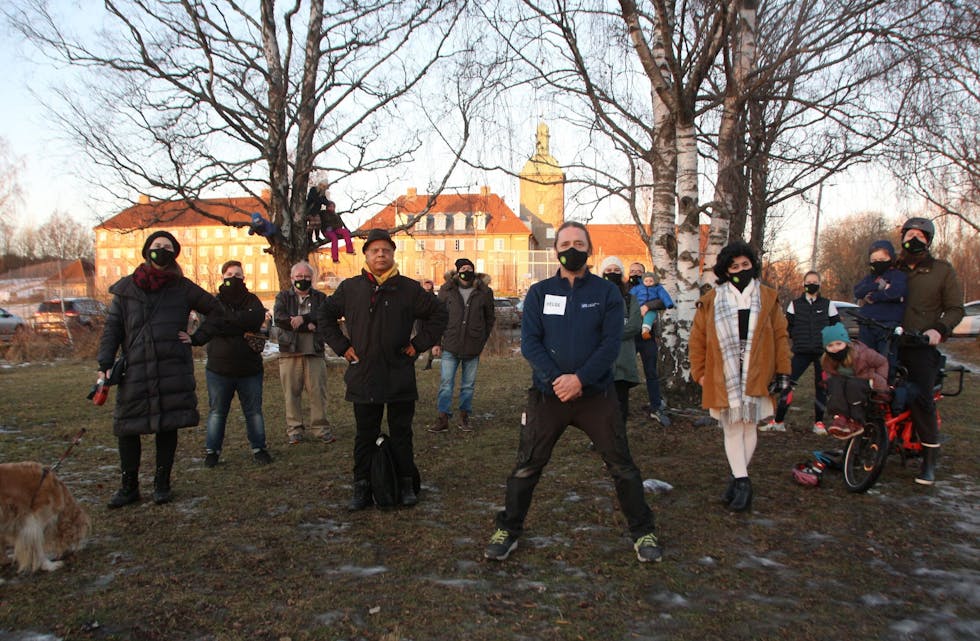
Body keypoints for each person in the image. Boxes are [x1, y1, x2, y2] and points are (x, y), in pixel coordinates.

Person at [484, 222, 662, 563]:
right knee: (526, 467)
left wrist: (580, 379)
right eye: (565, 243)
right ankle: (508, 528)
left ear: (589, 249)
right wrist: (558, 380)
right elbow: (530, 344)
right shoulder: (539, 292)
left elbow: (610, 344)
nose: (571, 248)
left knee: (622, 465)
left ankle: (643, 531)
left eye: (579, 243)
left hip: (596, 395)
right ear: (556, 250)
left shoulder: (606, 293)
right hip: (548, 396)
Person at [319, 229, 448, 510]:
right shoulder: (351, 288)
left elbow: (440, 314)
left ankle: (405, 485)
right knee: (365, 435)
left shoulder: (409, 289)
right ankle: (361, 488)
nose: (380, 254)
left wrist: (419, 344)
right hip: (363, 375)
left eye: (386, 250)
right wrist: (342, 347)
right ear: (366, 254)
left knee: (402, 433)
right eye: (375, 250)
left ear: (392, 254)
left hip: (399, 373)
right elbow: (324, 316)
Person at [96, 230, 222, 508]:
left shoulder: (182, 287)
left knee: (168, 425)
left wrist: (197, 337)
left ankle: (162, 484)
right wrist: (105, 364)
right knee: (127, 427)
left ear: (174, 254)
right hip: (136, 368)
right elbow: (112, 329)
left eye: (167, 247)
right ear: (146, 250)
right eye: (157, 245)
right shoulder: (126, 288)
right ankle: (128, 487)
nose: (161, 250)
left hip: (171, 366)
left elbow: (216, 310)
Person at [689, 240, 791, 512]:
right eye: (734, 266)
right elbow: (697, 340)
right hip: (724, 374)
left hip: (758, 370)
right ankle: (742, 481)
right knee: (733, 427)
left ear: (753, 266)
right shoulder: (711, 301)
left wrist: (784, 370)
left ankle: (738, 480)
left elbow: (781, 336)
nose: (740, 270)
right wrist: (699, 373)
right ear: (725, 270)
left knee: (749, 426)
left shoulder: (768, 298)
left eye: (745, 265)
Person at [182, 261, 272, 467]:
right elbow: (212, 324)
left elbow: (254, 319)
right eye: (230, 274)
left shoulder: (253, 300)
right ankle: (212, 451)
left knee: (254, 412)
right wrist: (239, 324)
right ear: (223, 276)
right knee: (217, 412)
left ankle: (259, 448)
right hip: (219, 369)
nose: (234, 277)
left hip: (250, 369)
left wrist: (225, 323)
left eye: (238, 274)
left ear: (244, 277)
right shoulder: (213, 302)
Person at [895, 217, 964, 485]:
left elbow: (956, 308)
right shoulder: (892, 268)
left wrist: (939, 329)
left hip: (921, 346)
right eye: (909, 233)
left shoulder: (941, 270)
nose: (913, 238)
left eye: (920, 235)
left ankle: (929, 460)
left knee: (921, 398)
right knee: (872, 391)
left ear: (928, 241)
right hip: (890, 343)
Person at [763, 271, 839, 434]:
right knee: (787, 384)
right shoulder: (795, 304)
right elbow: (786, 327)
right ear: (803, 284)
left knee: (822, 387)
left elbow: (837, 327)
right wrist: (792, 338)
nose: (811, 284)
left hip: (822, 353)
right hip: (801, 351)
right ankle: (778, 421)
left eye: (815, 281)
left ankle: (819, 423)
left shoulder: (828, 304)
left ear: (819, 284)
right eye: (808, 281)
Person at [429, 258, 495, 433]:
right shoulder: (446, 290)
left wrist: (482, 339)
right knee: (446, 383)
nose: (467, 270)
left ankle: (464, 417)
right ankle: (443, 418)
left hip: (473, 346)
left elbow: (490, 318)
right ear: (457, 272)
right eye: (463, 268)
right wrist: (436, 343)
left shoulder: (484, 292)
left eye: (470, 268)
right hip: (450, 345)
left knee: (468, 385)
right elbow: (437, 317)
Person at [273, 261, 334, 445]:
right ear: (292, 278)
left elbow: (324, 316)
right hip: (289, 352)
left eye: (306, 276)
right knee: (291, 393)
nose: (303, 280)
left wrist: (303, 318)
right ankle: (295, 429)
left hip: (314, 352)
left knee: (318, 392)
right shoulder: (283, 297)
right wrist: (308, 326)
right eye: (299, 277)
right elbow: (280, 318)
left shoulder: (321, 297)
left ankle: (321, 428)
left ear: (312, 278)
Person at [820, 323, 888, 440]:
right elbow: (831, 376)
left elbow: (882, 362)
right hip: (846, 384)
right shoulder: (828, 360)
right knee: (835, 383)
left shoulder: (863, 354)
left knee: (853, 385)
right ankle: (840, 417)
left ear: (846, 343)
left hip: (866, 381)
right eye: (830, 345)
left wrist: (881, 381)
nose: (835, 348)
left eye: (838, 344)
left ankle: (856, 421)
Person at [628, 262, 674, 426]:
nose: (635, 274)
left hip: (648, 336)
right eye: (632, 271)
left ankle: (656, 405)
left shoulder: (652, 286)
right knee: (625, 372)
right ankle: (622, 407)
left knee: (651, 371)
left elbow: (662, 301)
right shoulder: (626, 288)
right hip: (630, 337)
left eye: (638, 272)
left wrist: (647, 305)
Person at [599, 256, 643, 425]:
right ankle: (600, 438)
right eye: (608, 271)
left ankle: (619, 439)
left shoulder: (630, 299)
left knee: (620, 404)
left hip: (623, 361)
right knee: (600, 404)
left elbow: (634, 325)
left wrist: (609, 334)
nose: (612, 274)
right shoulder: (596, 298)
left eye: (616, 271)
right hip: (600, 362)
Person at [853, 240, 907, 361]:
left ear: (891, 258)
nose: (878, 263)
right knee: (864, 361)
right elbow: (858, 291)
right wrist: (879, 287)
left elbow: (895, 293)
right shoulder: (869, 278)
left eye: (882, 260)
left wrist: (873, 296)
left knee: (886, 362)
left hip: (887, 327)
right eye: (874, 261)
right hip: (867, 324)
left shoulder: (898, 276)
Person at [306, 180, 354, 262]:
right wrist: (323, 201)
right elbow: (315, 199)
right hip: (311, 211)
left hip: (320, 215)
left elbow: (325, 201)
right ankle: (310, 239)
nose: (331, 208)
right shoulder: (314, 190)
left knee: (318, 224)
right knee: (313, 224)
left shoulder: (335, 214)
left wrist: (327, 202)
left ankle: (349, 250)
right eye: (330, 207)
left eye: (332, 207)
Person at [418, 279, 438, 370]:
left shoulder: (434, 297)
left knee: (431, 343)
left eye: (429, 285)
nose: (427, 286)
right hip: (421, 322)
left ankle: (429, 363)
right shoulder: (420, 297)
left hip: (430, 323)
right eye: (425, 285)